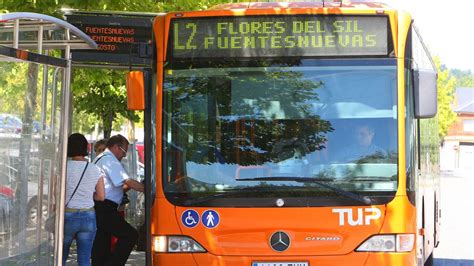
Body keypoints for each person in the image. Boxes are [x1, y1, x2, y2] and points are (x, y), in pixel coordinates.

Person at [91, 134, 144, 266]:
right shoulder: (109, 160)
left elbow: (119, 185)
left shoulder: (101, 158)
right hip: (105, 207)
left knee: (102, 242)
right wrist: (147, 189)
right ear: (115, 147)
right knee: (130, 235)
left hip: (101, 206)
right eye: (124, 151)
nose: (124, 155)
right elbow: (128, 182)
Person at [63, 133, 105, 266]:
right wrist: (87, 194)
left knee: (61, 256)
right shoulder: (95, 169)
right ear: (86, 148)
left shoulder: (63, 168)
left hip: (67, 215)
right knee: (84, 259)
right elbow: (101, 196)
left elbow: (55, 193)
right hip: (88, 216)